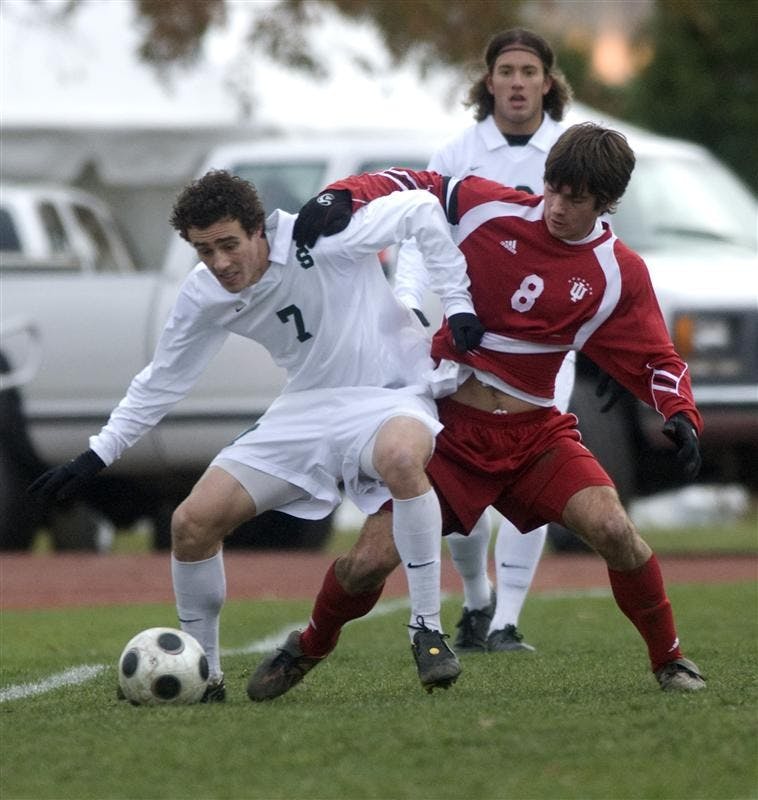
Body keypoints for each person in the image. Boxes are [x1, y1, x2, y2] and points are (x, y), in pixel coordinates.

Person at [247, 123, 706, 702]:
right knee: (365, 564)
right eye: (553, 189)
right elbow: (414, 183)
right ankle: (309, 645)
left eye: (576, 198)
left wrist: (680, 410)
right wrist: (345, 194)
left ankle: (670, 660)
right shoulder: (492, 207)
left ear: (606, 203)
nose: (557, 207)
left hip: (536, 437)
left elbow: (655, 355)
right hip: (451, 436)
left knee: (616, 530)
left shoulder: (618, 271)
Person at [28, 169, 487, 698]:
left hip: (388, 393)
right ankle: (209, 677)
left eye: (228, 244)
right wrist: (95, 456)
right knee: (191, 523)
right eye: (205, 251)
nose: (220, 263)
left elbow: (420, 210)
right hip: (304, 410)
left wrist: (457, 304)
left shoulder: (323, 233)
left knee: (403, 459)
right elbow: (162, 380)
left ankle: (426, 629)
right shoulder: (204, 293)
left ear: (259, 230)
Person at [394, 27, 576, 654]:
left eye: (530, 70)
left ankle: (506, 620)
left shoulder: (571, 153)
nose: (519, 82)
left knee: (535, 467)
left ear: (547, 81)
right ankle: (476, 599)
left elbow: (597, 250)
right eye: (508, 70)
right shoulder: (456, 153)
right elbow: (418, 232)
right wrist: (411, 306)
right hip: (468, 334)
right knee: (461, 467)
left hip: (545, 342)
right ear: (490, 80)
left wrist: (602, 344)